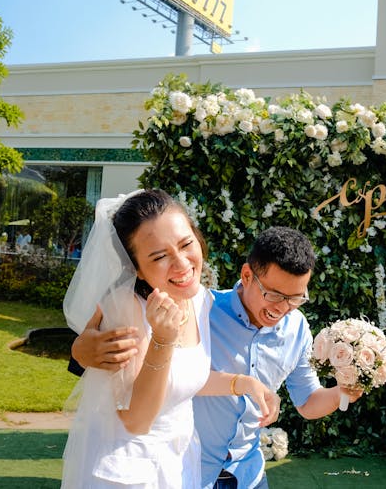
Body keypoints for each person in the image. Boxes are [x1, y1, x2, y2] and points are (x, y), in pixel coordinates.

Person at [71, 225, 363, 489]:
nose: (284, 307)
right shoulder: (200, 309)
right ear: (247, 275)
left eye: (296, 298)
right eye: (274, 295)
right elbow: (135, 335)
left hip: (248, 475)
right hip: (189, 471)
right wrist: (79, 349)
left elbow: (308, 402)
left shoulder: (298, 328)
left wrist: (344, 392)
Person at [60, 189, 276, 489]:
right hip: (130, 471)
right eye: (159, 256)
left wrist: (243, 383)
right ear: (135, 267)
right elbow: (137, 420)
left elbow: (182, 380)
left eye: (186, 244)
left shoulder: (198, 298)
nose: (181, 264)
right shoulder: (126, 309)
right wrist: (162, 340)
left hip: (180, 460)